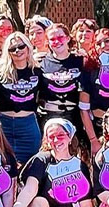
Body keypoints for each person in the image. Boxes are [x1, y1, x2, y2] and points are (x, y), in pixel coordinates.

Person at [0, 118, 97, 207]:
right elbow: (30, 189)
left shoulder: (79, 165)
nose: (56, 141)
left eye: (60, 135)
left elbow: (85, 200)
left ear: (70, 137)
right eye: (51, 137)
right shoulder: (42, 159)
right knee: (40, 202)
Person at [0, 32, 44, 164]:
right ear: (7, 52)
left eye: (21, 46)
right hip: (4, 124)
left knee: (32, 165)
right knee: (4, 164)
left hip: (28, 125)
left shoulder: (37, 71)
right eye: (12, 49)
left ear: (28, 47)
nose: (18, 51)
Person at [38, 23, 88, 152]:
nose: (57, 42)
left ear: (68, 38)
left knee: (78, 153)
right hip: (50, 116)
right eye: (52, 39)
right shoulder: (41, 63)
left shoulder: (80, 60)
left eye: (60, 37)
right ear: (47, 42)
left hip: (75, 115)